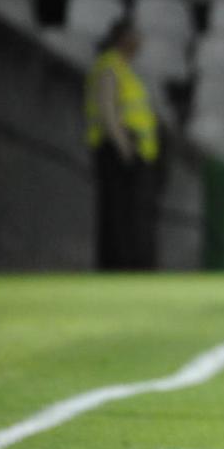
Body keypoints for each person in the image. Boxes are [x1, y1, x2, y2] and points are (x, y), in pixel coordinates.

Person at [85, 18, 161, 269]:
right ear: (124, 38)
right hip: (118, 149)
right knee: (117, 212)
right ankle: (118, 264)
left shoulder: (124, 68)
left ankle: (130, 262)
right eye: (135, 35)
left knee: (130, 213)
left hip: (134, 150)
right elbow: (108, 111)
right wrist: (124, 147)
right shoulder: (110, 67)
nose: (140, 41)